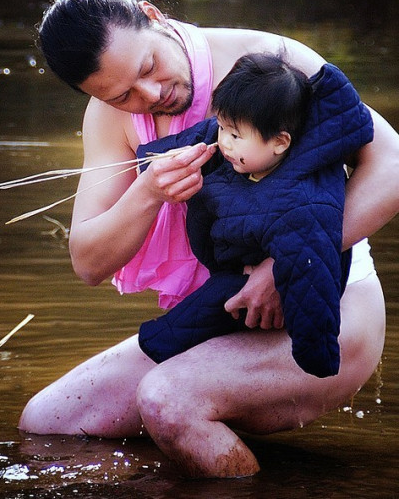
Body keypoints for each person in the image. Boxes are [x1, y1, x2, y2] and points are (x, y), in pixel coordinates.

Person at [19, 0, 397, 478]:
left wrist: (285, 264)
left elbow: (392, 163)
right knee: (48, 424)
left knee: (168, 401)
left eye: (149, 67)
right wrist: (148, 193)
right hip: (217, 313)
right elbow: (87, 262)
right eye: (121, 96)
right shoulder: (109, 120)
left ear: (152, 15)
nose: (151, 94)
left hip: (331, 303)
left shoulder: (265, 59)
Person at [136, 53, 373, 379]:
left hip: (273, 279)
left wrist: (315, 351)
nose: (223, 142)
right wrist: (151, 161)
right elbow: (191, 140)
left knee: (196, 316)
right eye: (222, 127)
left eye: (234, 135)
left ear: (279, 142)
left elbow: (312, 281)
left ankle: (158, 346)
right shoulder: (236, 143)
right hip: (234, 255)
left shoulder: (303, 205)